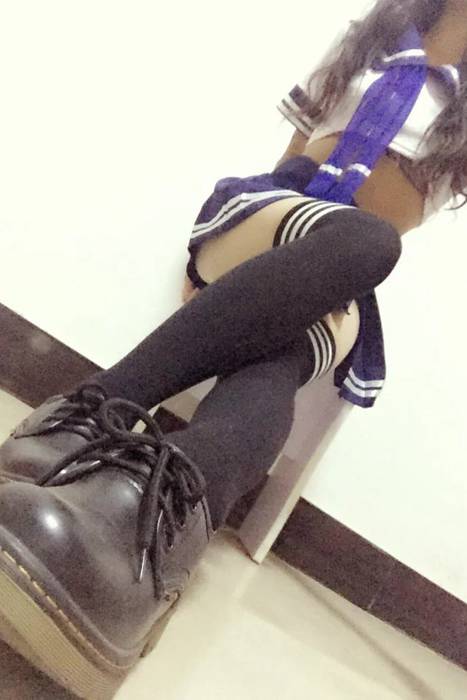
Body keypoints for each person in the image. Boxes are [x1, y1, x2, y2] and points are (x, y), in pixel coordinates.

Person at [0, 0, 466, 696]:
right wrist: (262, 271)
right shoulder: (370, 38)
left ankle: (138, 514)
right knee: (367, 242)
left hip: (343, 275)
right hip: (267, 218)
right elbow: (293, 153)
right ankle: (108, 436)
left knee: (287, 352)